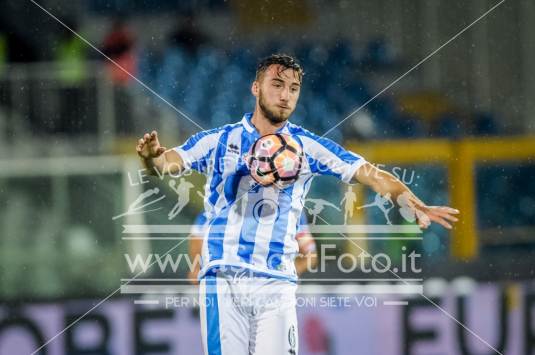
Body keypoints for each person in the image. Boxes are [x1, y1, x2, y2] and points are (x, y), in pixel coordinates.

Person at [136, 54, 459, 355]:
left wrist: (413, 202)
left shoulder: (307, 146)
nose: (285, 95)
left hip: (277, 281)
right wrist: (152, 158)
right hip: (223, 277)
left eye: (293, 88)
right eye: (277, 85)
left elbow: (370, 175)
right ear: (256, 88)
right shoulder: (220, 140)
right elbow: (168, 163)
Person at [187, 212, 317, 285]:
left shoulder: (292, 213)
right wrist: (198, 269)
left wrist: (289, 274)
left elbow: (311, 255)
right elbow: (196, 248)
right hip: (228, 289)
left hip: (275, 290)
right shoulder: (211, 213)